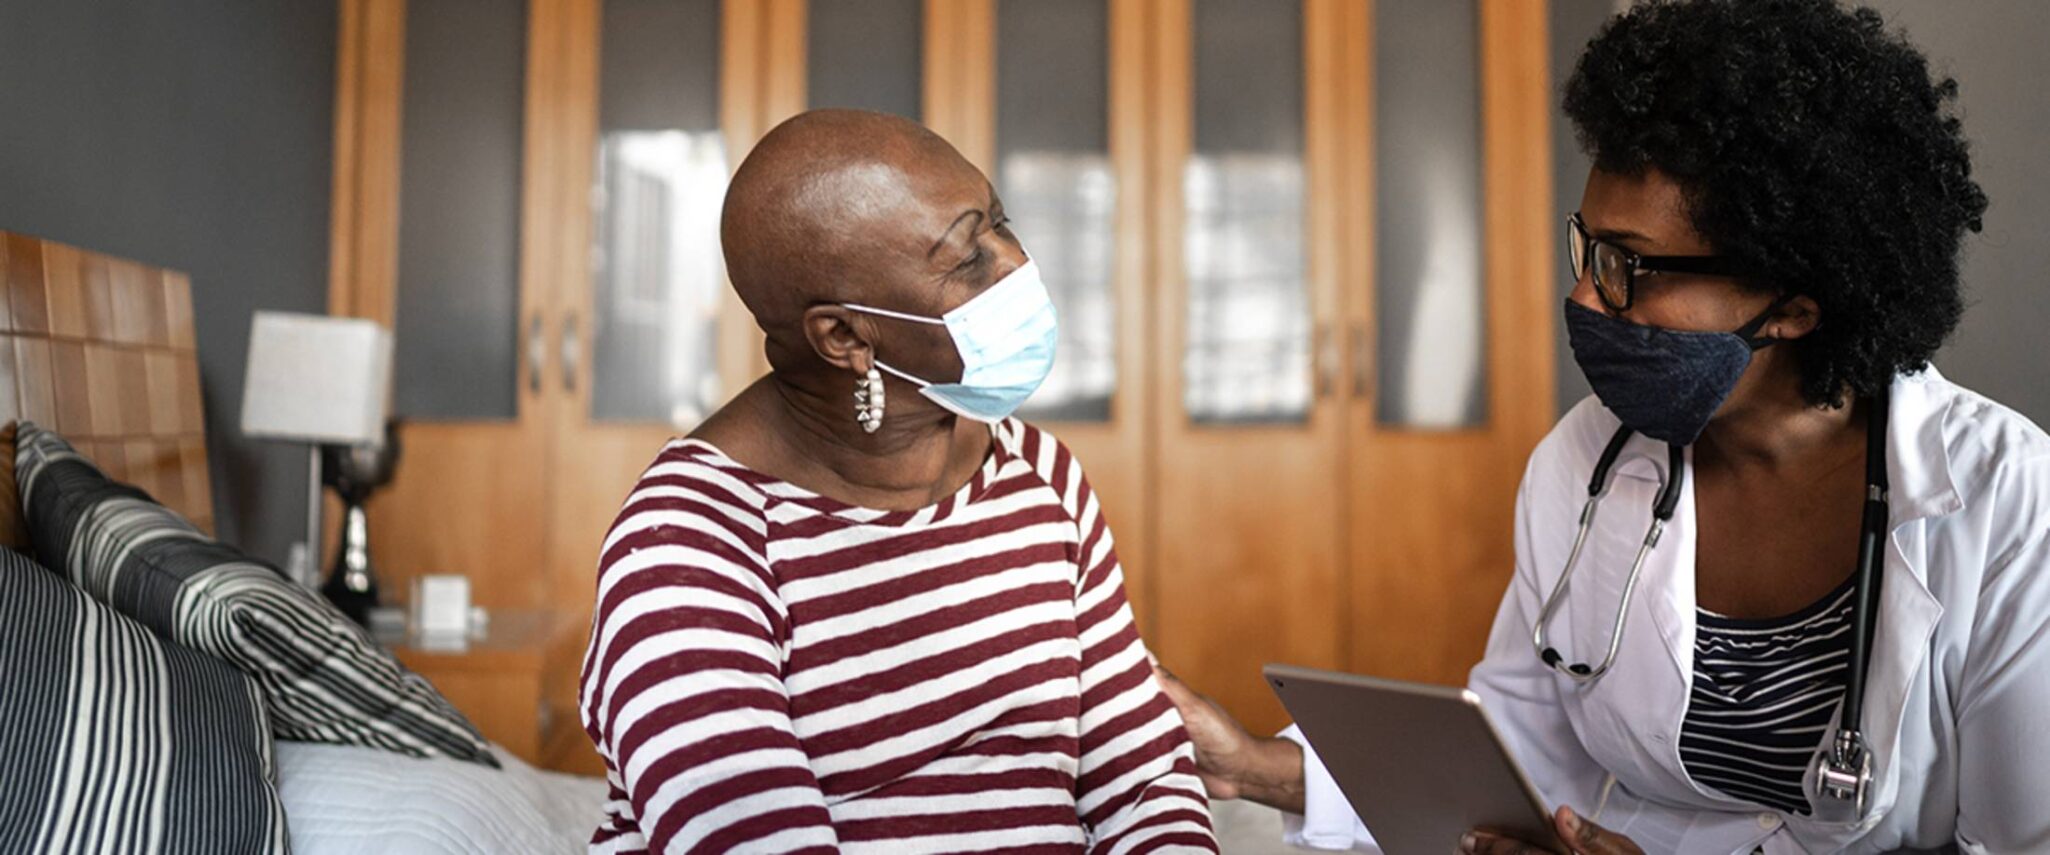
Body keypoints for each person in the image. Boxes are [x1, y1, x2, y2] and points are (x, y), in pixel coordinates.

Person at [1155, 1, 2050, 852]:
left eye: (1632, 267)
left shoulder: (2006, 503)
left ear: (1795, 306)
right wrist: (1255, 765)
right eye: (1589, 248)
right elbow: (1515, 744)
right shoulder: (1584, 459)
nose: (1584, 296)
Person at [578, 109, 1216, 853]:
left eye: (999, 224)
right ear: (845, 336)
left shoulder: (1041, 475)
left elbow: (1141, 781)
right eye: (967, 258)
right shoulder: (689, 540)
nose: (1016, 264)